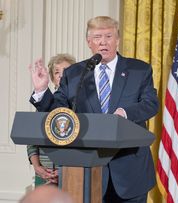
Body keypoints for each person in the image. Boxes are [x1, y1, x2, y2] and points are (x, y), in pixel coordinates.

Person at [29, 16, 159, 203]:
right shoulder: (75, 73)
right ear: (89, 42)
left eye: (109, 36)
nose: (103, 42)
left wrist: (125, 113)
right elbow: (59, 113)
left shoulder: (139, 70)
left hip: (130, 172)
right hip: (85, 173)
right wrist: (42, 90)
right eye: (97, 37)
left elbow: (150, 104)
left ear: (118, 40)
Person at [27, 54, 76, 186]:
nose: (61, 75)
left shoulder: (82, 105)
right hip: (45, 173)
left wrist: (65, 171)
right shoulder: (43, 104)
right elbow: (31, 141)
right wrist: (37, 167)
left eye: (66, 71)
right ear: (53, 79)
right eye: (56, 72)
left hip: (73, 176)